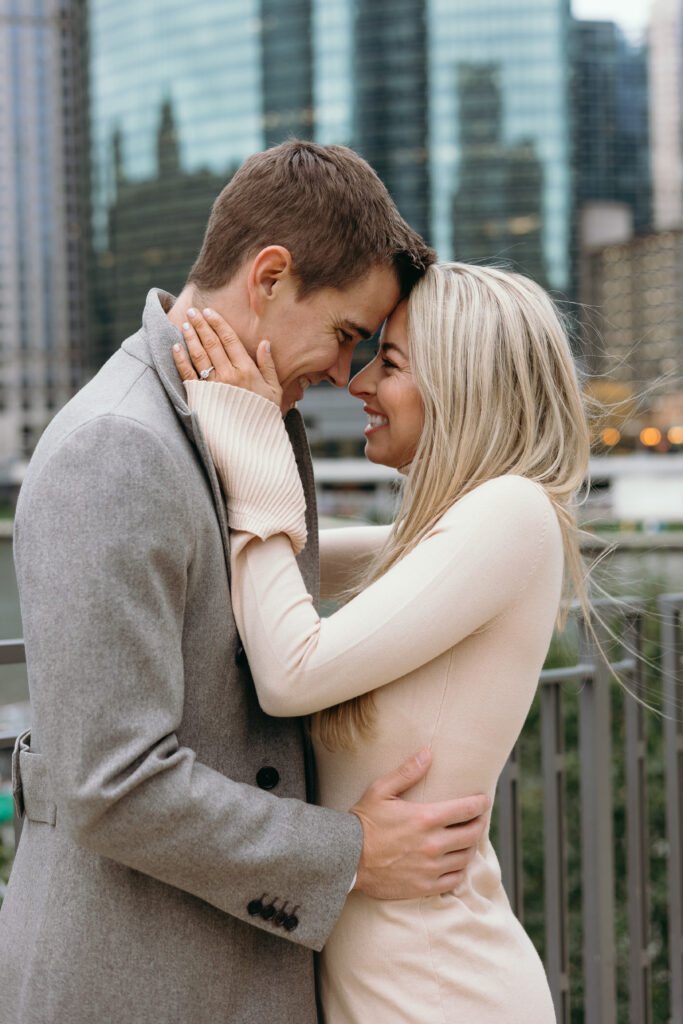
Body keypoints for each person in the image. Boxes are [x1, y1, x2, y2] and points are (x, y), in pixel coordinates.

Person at [0, 143, 489, 1024]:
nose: (346, 373)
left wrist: (471, 551)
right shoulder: (117, 448)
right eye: (345, 334)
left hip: (227, 970)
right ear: (269, 276)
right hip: (142, 982)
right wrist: (350, 853)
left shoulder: (238, 412)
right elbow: (110, 782)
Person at [172, 260, 592, 1023]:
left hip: (441, 995)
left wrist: (253, 436)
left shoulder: (510, 514)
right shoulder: (446, 535)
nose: (357, 383)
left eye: (389, 363)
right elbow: (288, 565)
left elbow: (290, 671)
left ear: (463, 382)